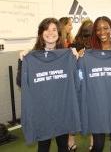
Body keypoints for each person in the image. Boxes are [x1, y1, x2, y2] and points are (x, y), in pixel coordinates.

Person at [17, 17, 79, 152]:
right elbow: (20, 82)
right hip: (42, 112)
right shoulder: (31, 56)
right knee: (43, 147)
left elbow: (77, 81)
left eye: (54, 29)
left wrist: (76, 59)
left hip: (62, 110)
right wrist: (23, 62)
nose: (50, 33)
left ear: (59, 33)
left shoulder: (67, 55)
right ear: (41, 33)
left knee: (63, 146)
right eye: (46, 29)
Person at [89, 16, 111, 152]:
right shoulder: (89, 52)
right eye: (98, 29)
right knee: (98, 144)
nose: (102, 32)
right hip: (97, 103)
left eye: (105, 28)